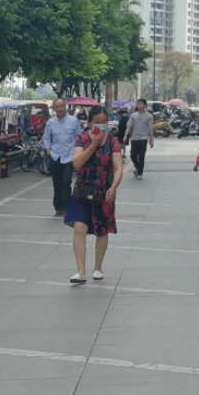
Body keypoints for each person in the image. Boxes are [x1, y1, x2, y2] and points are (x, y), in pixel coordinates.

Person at [67, 107, 124, 283]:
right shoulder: (82, 139)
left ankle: (98, 267)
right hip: (83, 189)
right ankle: (81, 271)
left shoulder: (112, 141)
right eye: (97, 122)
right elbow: (76, 164)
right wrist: (93, 144)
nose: (101, 125)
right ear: (90, 122)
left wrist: (113, 187)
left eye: (104, 122)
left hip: (104, 191)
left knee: (102, 230)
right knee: (79, 227)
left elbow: (118, 167)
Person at [42, 98, 84, 217]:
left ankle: (66, 207)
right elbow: (46, 138)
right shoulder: (50, 122)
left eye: (62, 106)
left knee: (66, 182)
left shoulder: (73, 121)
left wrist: (77, 153)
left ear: (65, 107)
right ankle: (58, 206)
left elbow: (79, 137)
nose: (60, 109)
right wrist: (48, 150)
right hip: (55, 156)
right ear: (54, 108)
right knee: (57, 183)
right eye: (57, 107)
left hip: (69, 157)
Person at [124, 98, 156, 179]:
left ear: (144, 105)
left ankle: (140, 173)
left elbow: (150, 129)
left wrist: (151, 140)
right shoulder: (133, 115)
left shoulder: (149, 116)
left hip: (143, 139)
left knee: (141, 157)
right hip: (134, 139)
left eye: (140, 104)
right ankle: (137, 167)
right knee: (132, 155)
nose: (138, 105)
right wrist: (125, 135)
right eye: (137, 104)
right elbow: (129, 126)